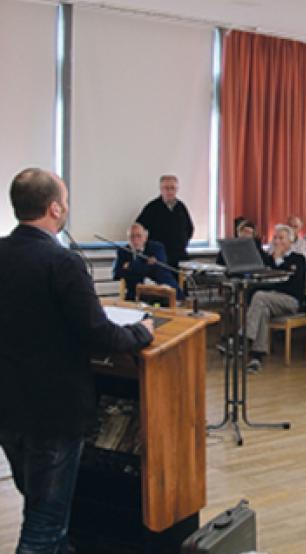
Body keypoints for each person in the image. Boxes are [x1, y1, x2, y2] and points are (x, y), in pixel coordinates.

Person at [0, 168, 154, 552]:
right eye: (65, 201)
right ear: (54, 208)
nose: (66, 207)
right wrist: (142, 332)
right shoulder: (62, 262)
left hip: (8, 407)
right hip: (53, 412)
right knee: (44, 525)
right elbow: (100, 334)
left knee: (44, 509)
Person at [244, 225, 306, 373]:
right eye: (275, 238)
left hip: (290, 301)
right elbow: (262, 281)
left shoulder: (299, 259)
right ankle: (256, 357)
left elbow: (293, 285)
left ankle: (245, 337)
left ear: (290, 241)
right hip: (268, 301)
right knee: (262, 309)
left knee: (259, 296)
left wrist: (278, 259)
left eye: (281, 238)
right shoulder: (268, 259)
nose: (277, 241)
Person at [112, 222, 182, 302]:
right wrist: (146, 265)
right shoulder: (123, 251)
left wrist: (130, 266)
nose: (135, 240)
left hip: (163, 290)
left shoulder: (157, 248)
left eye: (139, 236)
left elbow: (158, 268)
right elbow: (116, 274)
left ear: (146, 236)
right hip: (135, 295)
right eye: (132, 237)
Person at [136, 174, 194, 265]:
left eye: (172, 188)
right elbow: (138, 230)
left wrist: (183, 243)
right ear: (161, 189)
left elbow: (190, 228)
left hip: (180, 255)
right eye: (166, 188)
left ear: (177, 189)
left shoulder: (181, 207)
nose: (169, 191)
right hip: (159, 257)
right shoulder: (152, 207)